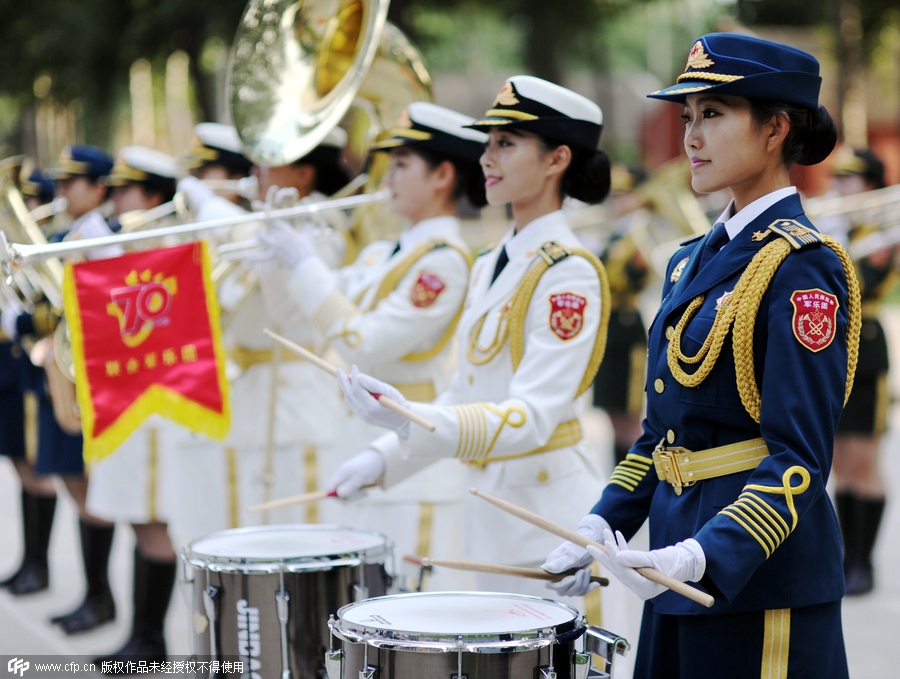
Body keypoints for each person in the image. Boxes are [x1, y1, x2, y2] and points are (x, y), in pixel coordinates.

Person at [540, 33, 860, 678]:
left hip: (758, 582)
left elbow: (799, 463)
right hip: (675, 569)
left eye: (713, 114)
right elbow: (663, 434)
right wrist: (603, 524)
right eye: (688, 117)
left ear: (775, 128)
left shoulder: (801, 269)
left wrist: (703, 554)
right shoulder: (693, 258)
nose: (691, 136)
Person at [324, 77, 614, 604]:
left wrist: (414, 417)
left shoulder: (569, 273)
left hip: (551, 528)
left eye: (506, 143)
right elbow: (465, 393)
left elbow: (531, 416)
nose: (486, 157)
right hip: (492, 519)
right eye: (487, 144)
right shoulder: (490, 265)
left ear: (556, 160)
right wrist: (386, 454)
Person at [257, 102, 486, 587]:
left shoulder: (444, 262)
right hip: (361, 453)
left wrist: (304, 263)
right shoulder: (385, 252)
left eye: (402, 164)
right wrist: (276, 255)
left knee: (406, 622)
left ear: (443, 175)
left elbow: (365, 342)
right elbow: (297, 318)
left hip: (412, 468)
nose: (386, 177)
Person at [169, 129, 349, 534]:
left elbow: (285, 304)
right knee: (250, 543)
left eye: (270, 162)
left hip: (293, 403)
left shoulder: (323, 221)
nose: (255, 171)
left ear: (304, 174)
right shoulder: (267, 220)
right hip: (251, 399)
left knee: (300, 542)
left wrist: (213, 209)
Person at [1, 146, 120, 638]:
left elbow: (93, 304)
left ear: (99, 189)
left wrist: (22, 320)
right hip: (59, 371)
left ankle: (100, 598)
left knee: (86, 487)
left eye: (74, 183)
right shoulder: (71, 234)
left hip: (86, 375)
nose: (63, 191)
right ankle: (91, 595)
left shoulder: (104, 238)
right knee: (72, 482)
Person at [84, 147, 180, 664]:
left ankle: (150, 640)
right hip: (123, 400)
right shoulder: (121, 241)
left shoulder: (164, 247)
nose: (114, 199)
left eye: (125, 191)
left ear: (154, 197)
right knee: (133, 514)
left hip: (155, 407)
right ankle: (141, 635)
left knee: (152, 517)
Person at [828, 147, 893, 595]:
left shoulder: (882, 234)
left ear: (870, 186)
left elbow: (859, 285)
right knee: (840, 464)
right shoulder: (842, 230)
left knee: (864, 461)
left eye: (850, 180)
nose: (840, 188)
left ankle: (864, 563)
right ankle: (846, 558)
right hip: (834, 349)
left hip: (866, 348)